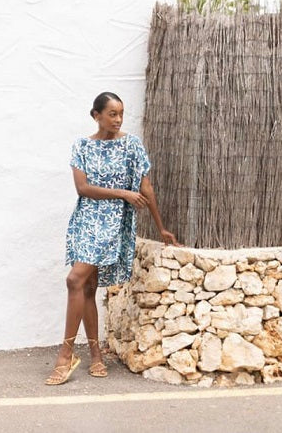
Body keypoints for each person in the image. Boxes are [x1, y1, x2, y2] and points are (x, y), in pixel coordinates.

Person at [45, 92, 182, 386]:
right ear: (96, 115)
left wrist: (161, 229)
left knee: (79, 282)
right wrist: (122, 193)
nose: (118, 119)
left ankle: (72, 355)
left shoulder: (132, 145)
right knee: (82, 284)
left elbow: (147, 189)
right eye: (112, 114)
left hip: (112, 224)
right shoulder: (82, 146)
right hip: (86, 220)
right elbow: (82, 188)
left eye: (121, 113)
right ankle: (88, 355)